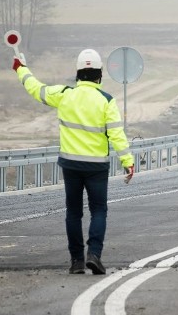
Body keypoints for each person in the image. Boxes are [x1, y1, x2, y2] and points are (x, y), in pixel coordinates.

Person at [12, 49, 135, 275]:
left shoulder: (64, 94)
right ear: (99, 75)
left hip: (70, 165)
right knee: (99, 211)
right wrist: (128, 161)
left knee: (73, 212)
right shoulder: (107, 101)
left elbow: (35, 88)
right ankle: (94, 255)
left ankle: (77, 261)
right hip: (97, 167)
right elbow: (117, 134)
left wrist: (21, 68)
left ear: (78, 73)